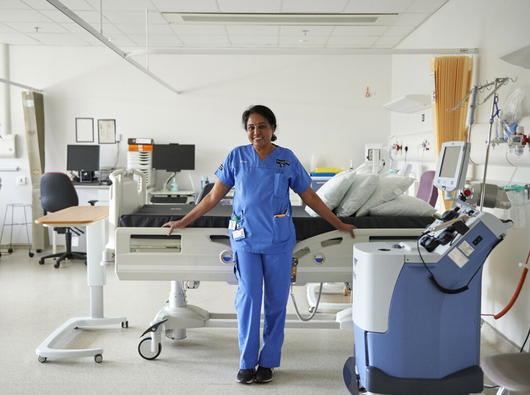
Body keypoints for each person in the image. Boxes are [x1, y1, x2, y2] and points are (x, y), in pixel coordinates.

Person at [162, 105, 356, 384]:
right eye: (251, 127)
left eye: (262, 126)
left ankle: (268, 362)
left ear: (273, 129)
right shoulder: (236, 157)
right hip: (245, 238)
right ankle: (246, 361)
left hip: (278, 239)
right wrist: (183, 221)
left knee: (276, 302)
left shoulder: (287, 159)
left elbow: (310, 198)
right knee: (249, 299)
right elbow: (212, 197)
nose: (256, 132)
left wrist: (339, 224)